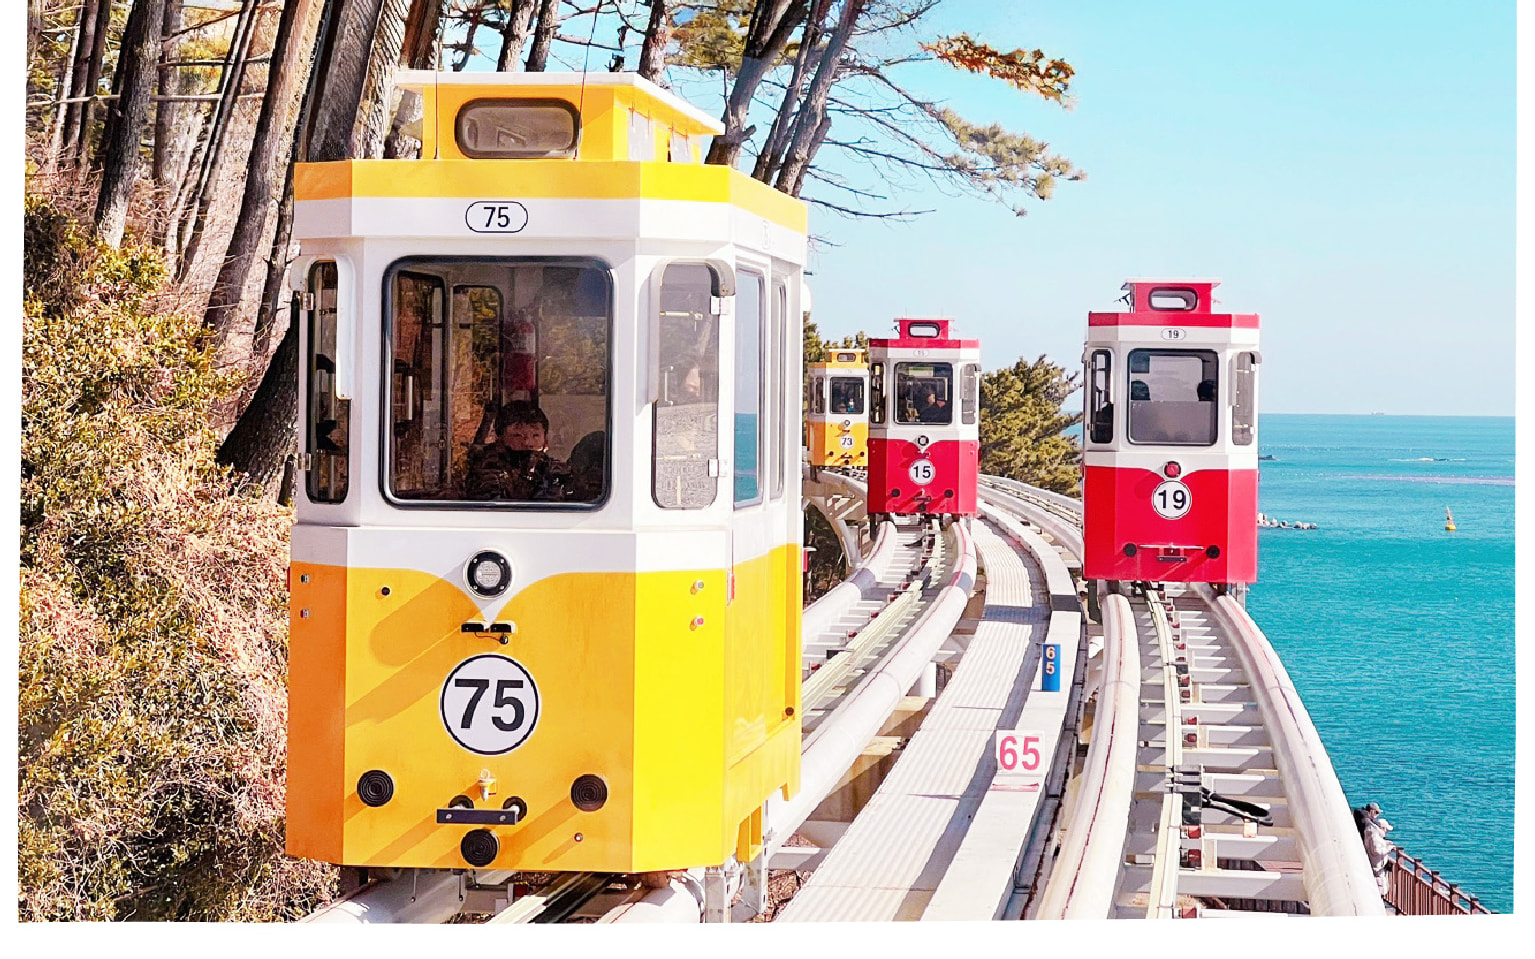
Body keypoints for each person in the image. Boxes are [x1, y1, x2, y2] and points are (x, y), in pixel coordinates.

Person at [465, 404, 571, 502]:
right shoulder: (487, 466)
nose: (527, 442)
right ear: (500, 439)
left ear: (545, 439)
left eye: (535, 435)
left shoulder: (554, 470)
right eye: (517, 436)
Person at [1359, 802, 1395, 897]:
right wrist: (1388, 849)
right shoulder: (1374, 835)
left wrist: (1386, 843)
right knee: (1379, 891)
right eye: (1386, 829)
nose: (1386, 831)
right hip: (1377, 869)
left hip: (1375, 868)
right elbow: (1377, 850)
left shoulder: (1371, 831)